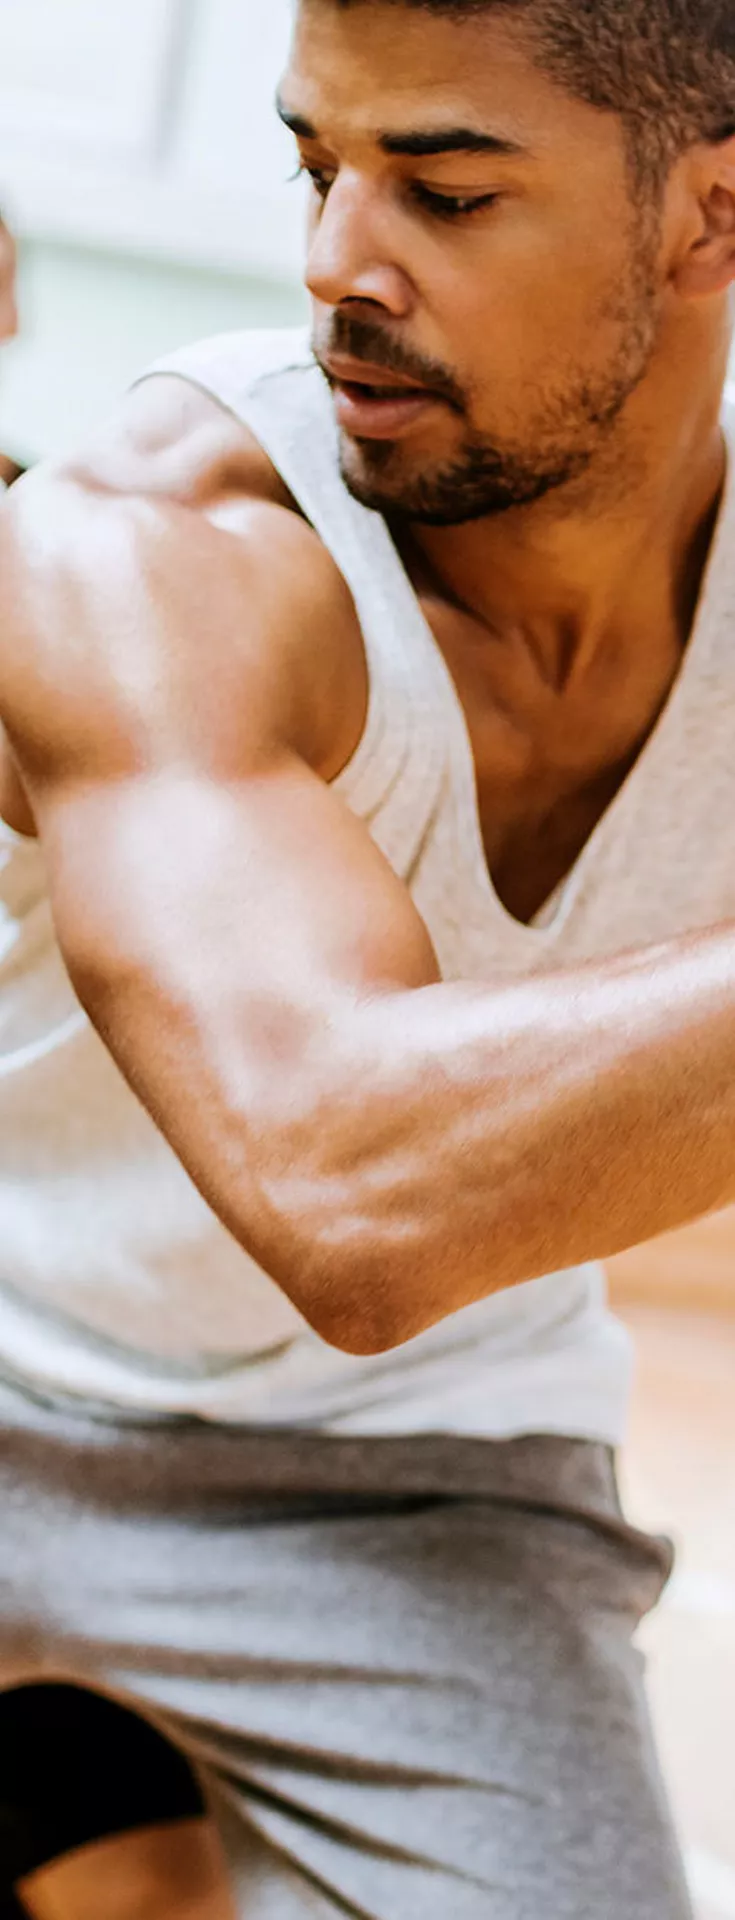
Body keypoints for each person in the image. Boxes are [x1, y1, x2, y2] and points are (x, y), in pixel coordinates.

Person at [1, 0, 734, 1912]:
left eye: (444, 187)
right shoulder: (156, 545)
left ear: (708, 216)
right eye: (317, 167)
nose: (335, 258)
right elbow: (345, 1192)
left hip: (404, 1478)